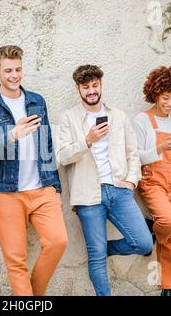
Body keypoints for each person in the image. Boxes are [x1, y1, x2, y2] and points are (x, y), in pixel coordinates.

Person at [0, 45, 68, 296]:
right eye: (8, 71)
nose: (14, 75)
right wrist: (13, 134)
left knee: (58, 241)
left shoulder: (37, 101)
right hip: (6, 193)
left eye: (18, 69)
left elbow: (46, 145)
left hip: (41, 188)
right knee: (16, 261)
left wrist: (55, 187)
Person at [56, 64, 153, 296]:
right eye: (86, 86)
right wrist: (87, 141)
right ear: (78, 88)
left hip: (119, 191)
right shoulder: (69, 118)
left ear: (101, 85)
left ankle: (103, 249)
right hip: (88, 195)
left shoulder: (118, 116)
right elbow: (61, 156)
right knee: (96, 256)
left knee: (143, 242)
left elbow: (133, 153)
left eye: (95, 85)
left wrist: (130, 182)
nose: (91, 91)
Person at [133, 65, 171, 296]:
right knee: (169, 222)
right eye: (165, 97)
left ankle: (167, 286)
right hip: (152, 180)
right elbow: (136, 156)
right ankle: (152, 229)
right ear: (154, 93)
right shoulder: (142, 119)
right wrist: (159, 147)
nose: (169, 103)